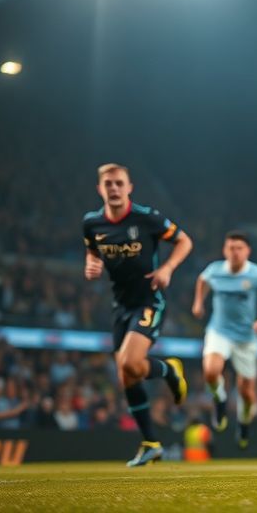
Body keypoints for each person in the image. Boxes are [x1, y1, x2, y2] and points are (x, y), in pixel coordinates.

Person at [83, 163, 193, 466]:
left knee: (129, 362)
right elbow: (92, 250)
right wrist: (91, 263)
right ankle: (151, 443)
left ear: (129, 187)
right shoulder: (92, 224)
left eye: (119, 183)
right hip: (120, 306)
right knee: (126, 373)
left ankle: (170, 371)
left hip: (149, 301)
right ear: (100, 189)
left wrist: (168, 268)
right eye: (109, 184)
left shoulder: (146, 218)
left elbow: (184, 241)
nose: (114, 188)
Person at [192, 231, 257, 449]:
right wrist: (199, 302)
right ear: (224, 250)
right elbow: (202, 280)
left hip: (246, 338)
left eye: (239, 248)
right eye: (230, 248)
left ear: (247, 251)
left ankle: (244, 423)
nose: (234, 252)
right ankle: (220, 401)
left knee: (246, 390)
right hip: (219, 331)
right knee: (210, 371)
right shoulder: (215, 270)